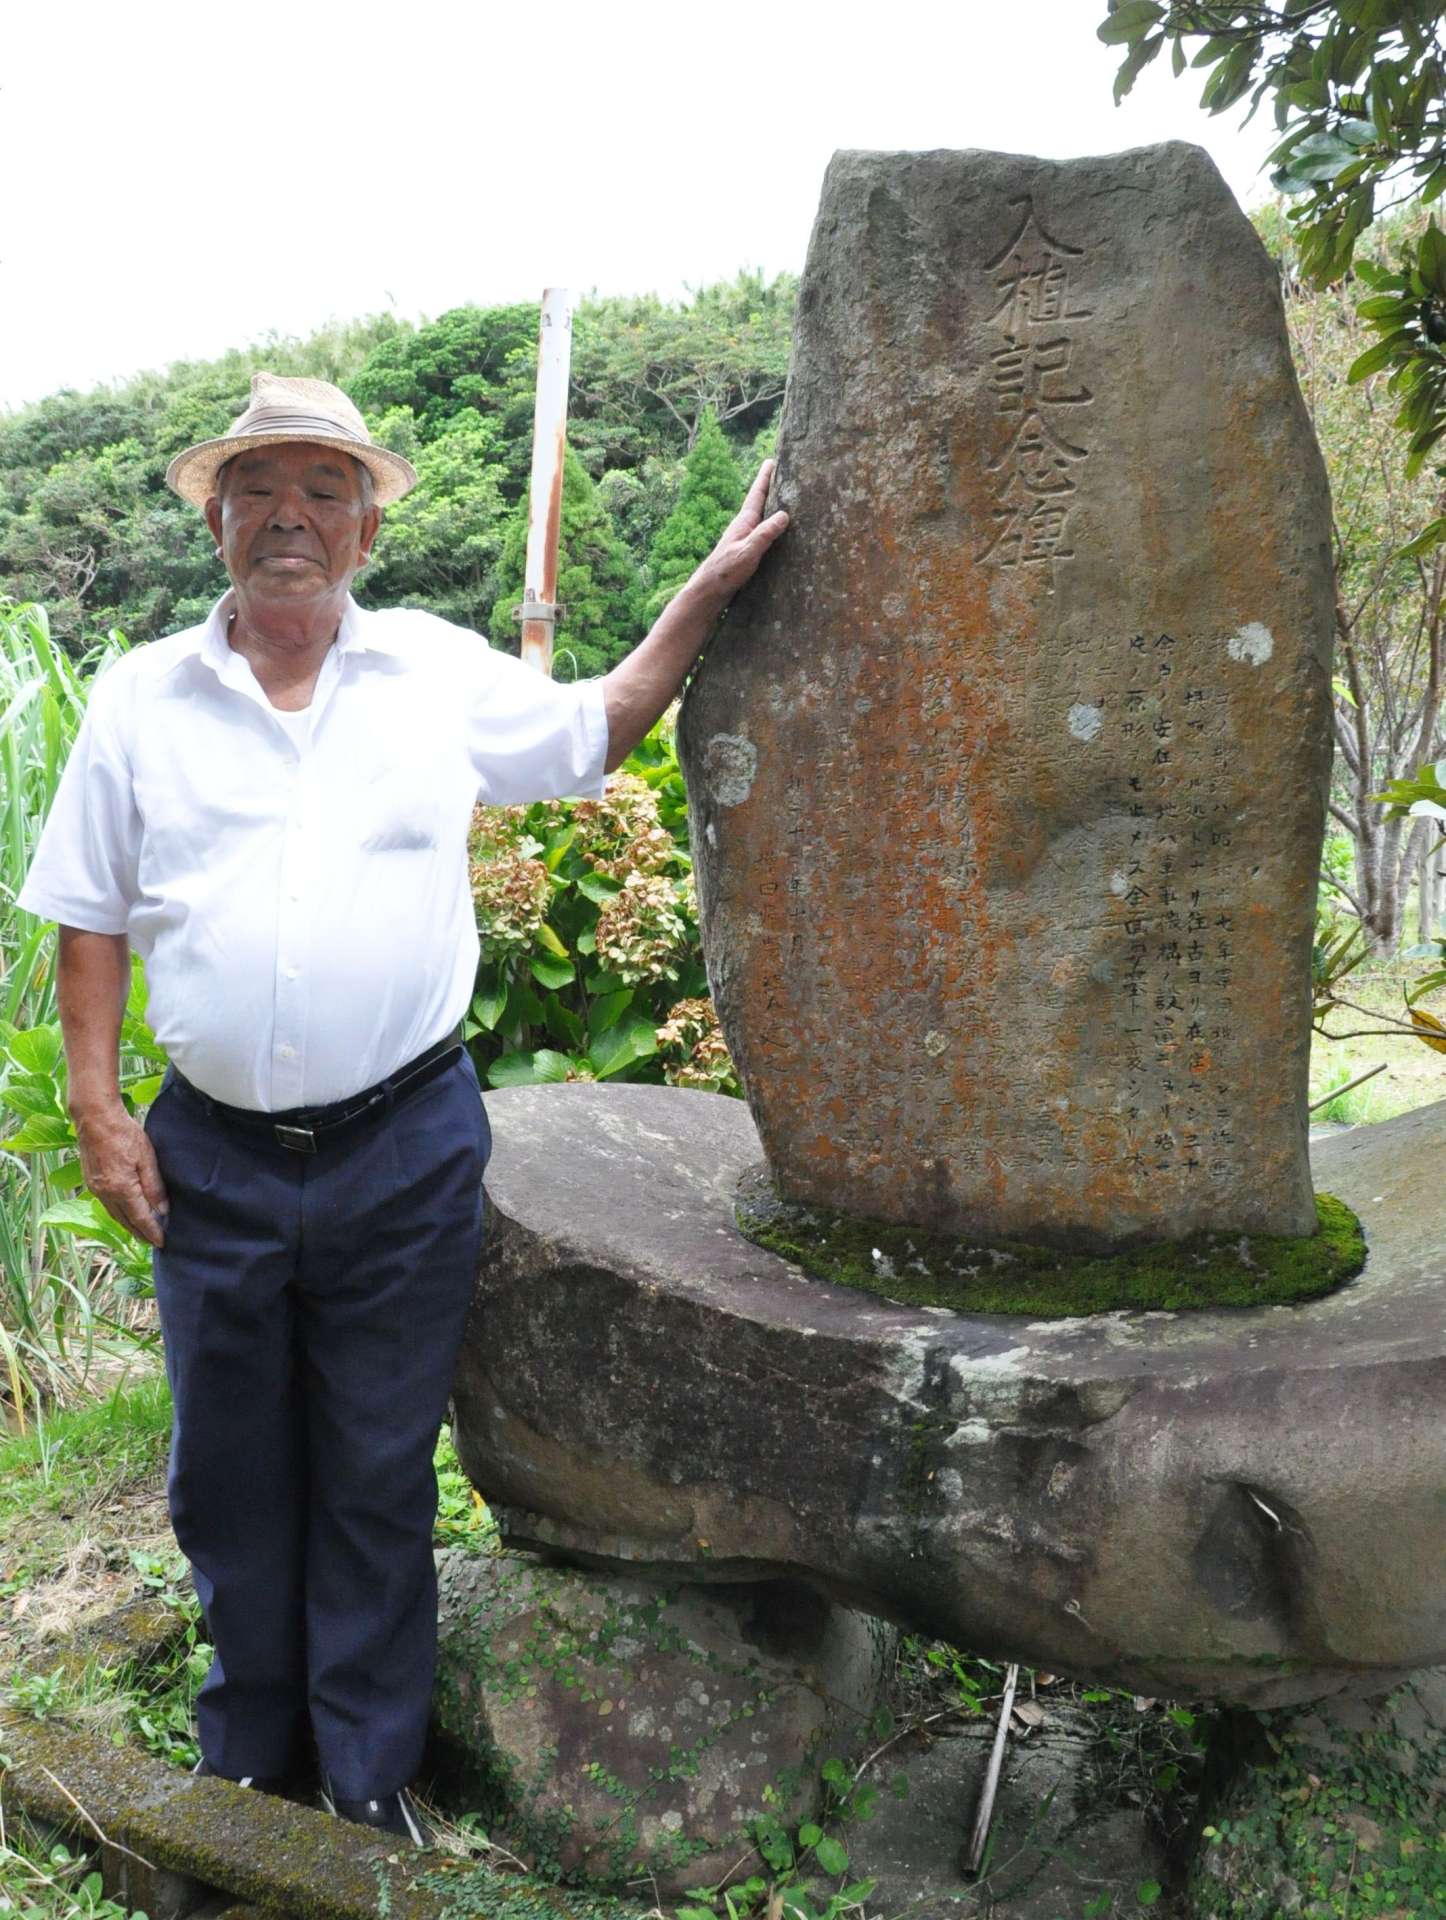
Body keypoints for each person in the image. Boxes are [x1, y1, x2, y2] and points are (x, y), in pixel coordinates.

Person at [18, 372, 788, 1844]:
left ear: (366, 530)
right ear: (216, 521)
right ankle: (250, 1758)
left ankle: (367, 1775)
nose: (288, 517)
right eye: (257, 488)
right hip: (212, 1153)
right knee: (226, 1469)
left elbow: (600, 726)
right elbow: (91, 916)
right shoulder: (139, 700)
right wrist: (100, 1106)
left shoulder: (432, 671)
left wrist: (703, 591)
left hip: (402, 1143)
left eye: (324, 490)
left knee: (377, 1464)